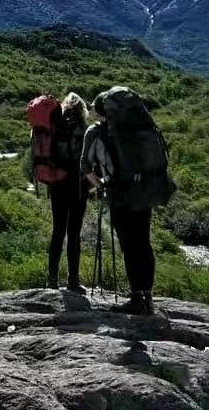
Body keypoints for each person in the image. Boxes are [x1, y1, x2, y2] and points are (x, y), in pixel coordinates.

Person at [82, 86, 175, 315]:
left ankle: (136, 299)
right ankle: (147, 297)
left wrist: (101, 185)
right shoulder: (138, 128)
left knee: (129, 245)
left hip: (119, 194)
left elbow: (85, 168)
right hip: (143, 191)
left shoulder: (95, 132)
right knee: (143, 243)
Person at [44, 92, 91, 292]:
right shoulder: (85, 130)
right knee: (74, 234)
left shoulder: (54, 128)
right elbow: (90, 162)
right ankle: (73, 280)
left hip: (57, 185)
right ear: (82, 109)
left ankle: (52, 279)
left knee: (57, 232)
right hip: (78, 187)